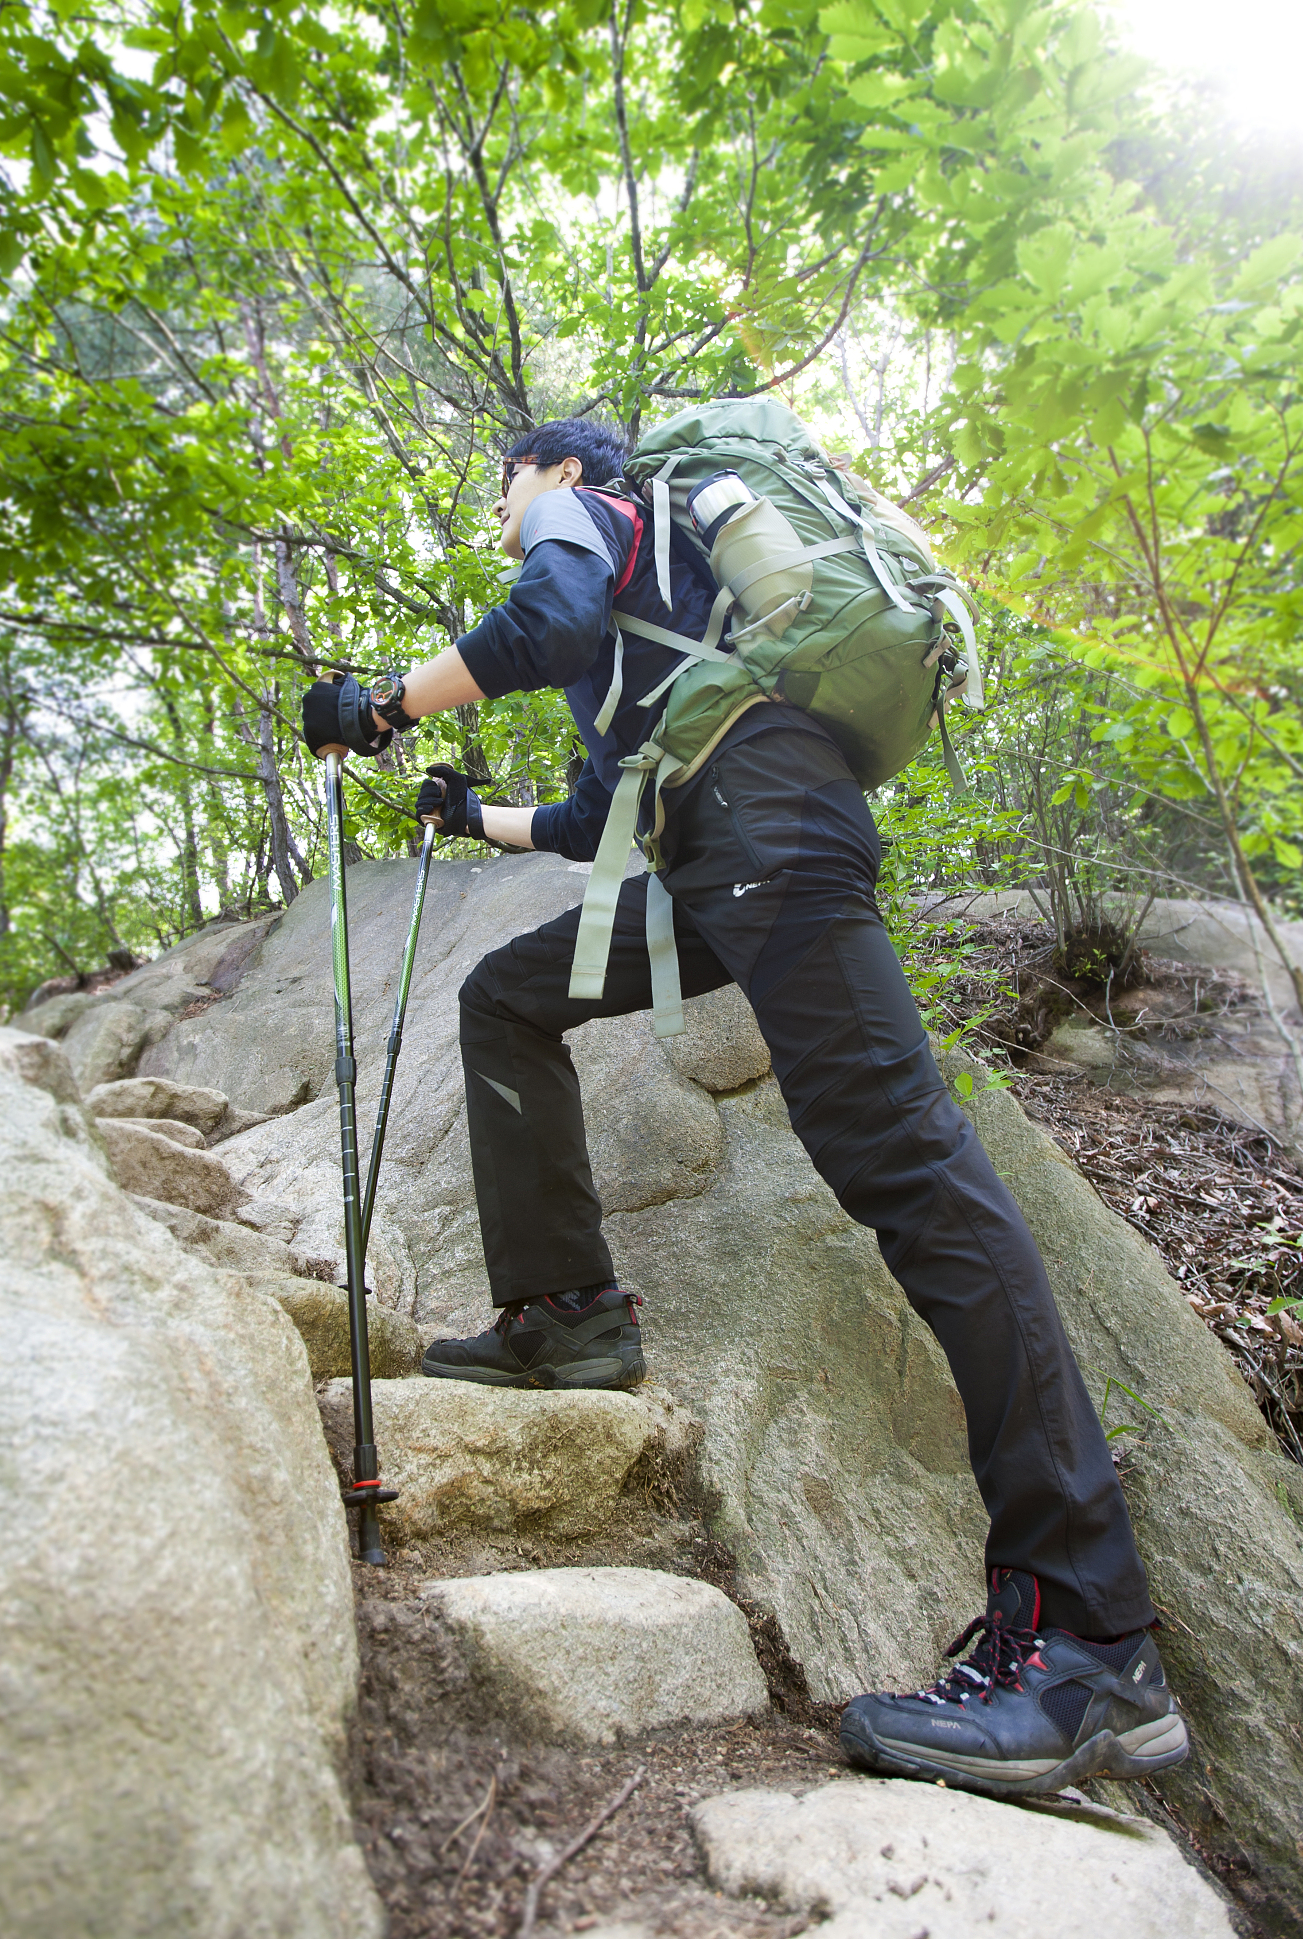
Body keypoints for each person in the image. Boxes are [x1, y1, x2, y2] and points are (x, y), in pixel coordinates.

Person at [300, 419, 1189, 1796]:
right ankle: (565, 1315)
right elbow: (595, 819)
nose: (502, 510)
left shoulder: (596, 511)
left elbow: (541, 616)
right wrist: (468, 816)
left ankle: (1086, 1643)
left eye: (507, 485)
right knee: (508, 997)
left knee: (913, 1176)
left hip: (767, 834)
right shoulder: (655, 640)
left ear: (561, 472)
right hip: (718, 860)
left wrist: (381, 706)